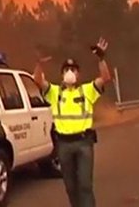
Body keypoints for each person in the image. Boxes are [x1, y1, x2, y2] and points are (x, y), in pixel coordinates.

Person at [33, 38, 112, 207]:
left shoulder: (87, 90)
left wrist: (101, 58)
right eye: (67, 69)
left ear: (78, 74)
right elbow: (38, 81)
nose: (70, 72)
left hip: (84, 143)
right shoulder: (55, 92)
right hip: (64, 145)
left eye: (73, 69)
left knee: (84, 185)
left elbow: (105, 78)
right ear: (62, 74)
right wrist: (39, 64)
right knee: (70, 186)